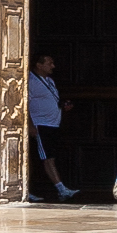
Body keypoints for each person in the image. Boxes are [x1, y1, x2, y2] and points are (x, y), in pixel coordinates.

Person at [27, 51, 76, 199]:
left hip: (53, 124)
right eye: (49, 63)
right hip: (40, 124)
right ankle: (61, 189)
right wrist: (29, 124)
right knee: (47, 158)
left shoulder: (49, 80)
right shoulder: (30, 80)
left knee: (50, 156)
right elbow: (24, 103)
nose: (53, 66)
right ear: (39, 65)